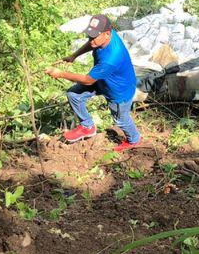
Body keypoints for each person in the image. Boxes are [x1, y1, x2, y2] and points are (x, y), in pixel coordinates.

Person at [46, 14, 141, 152]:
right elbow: (91, 44)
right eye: (90, 35)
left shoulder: (112, 57)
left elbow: (88, 80)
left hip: (119, 90)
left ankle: (134, 139)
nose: (91, 40)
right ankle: (87, 126)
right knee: (74, 94)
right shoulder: (106, 35)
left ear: (107, 34)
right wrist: (74, 55)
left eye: (94, 36)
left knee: (121, 120)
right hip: (103, 80)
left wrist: (60, 73)